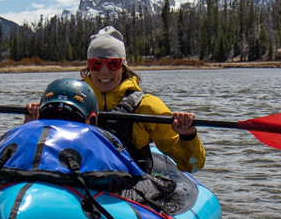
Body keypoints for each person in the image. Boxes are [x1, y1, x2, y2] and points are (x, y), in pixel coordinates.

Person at [80, 26, 205, 174]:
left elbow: (192, 166)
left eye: (113, 64)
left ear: (123, 66)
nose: (105, 71)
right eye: (96, 64)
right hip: (80, 183)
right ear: (89, 67)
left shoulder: (146, 106)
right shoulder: (74, 102)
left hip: (130, 187)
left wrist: (188, 135)